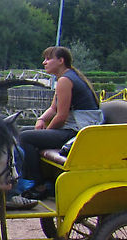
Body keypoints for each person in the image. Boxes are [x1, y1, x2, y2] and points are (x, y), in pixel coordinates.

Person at [20, 46, 103, 200]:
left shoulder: (65, 80)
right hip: (73, 129)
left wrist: (45, 133)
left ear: (60, 60)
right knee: (24, 131)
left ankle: (38, 184)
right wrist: (41, 119)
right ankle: (37, 179)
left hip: (77, 133)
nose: (44, 62)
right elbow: (53, 108)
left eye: (48, 58)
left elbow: (61, 117)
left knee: (25, 138)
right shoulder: (64, 78)